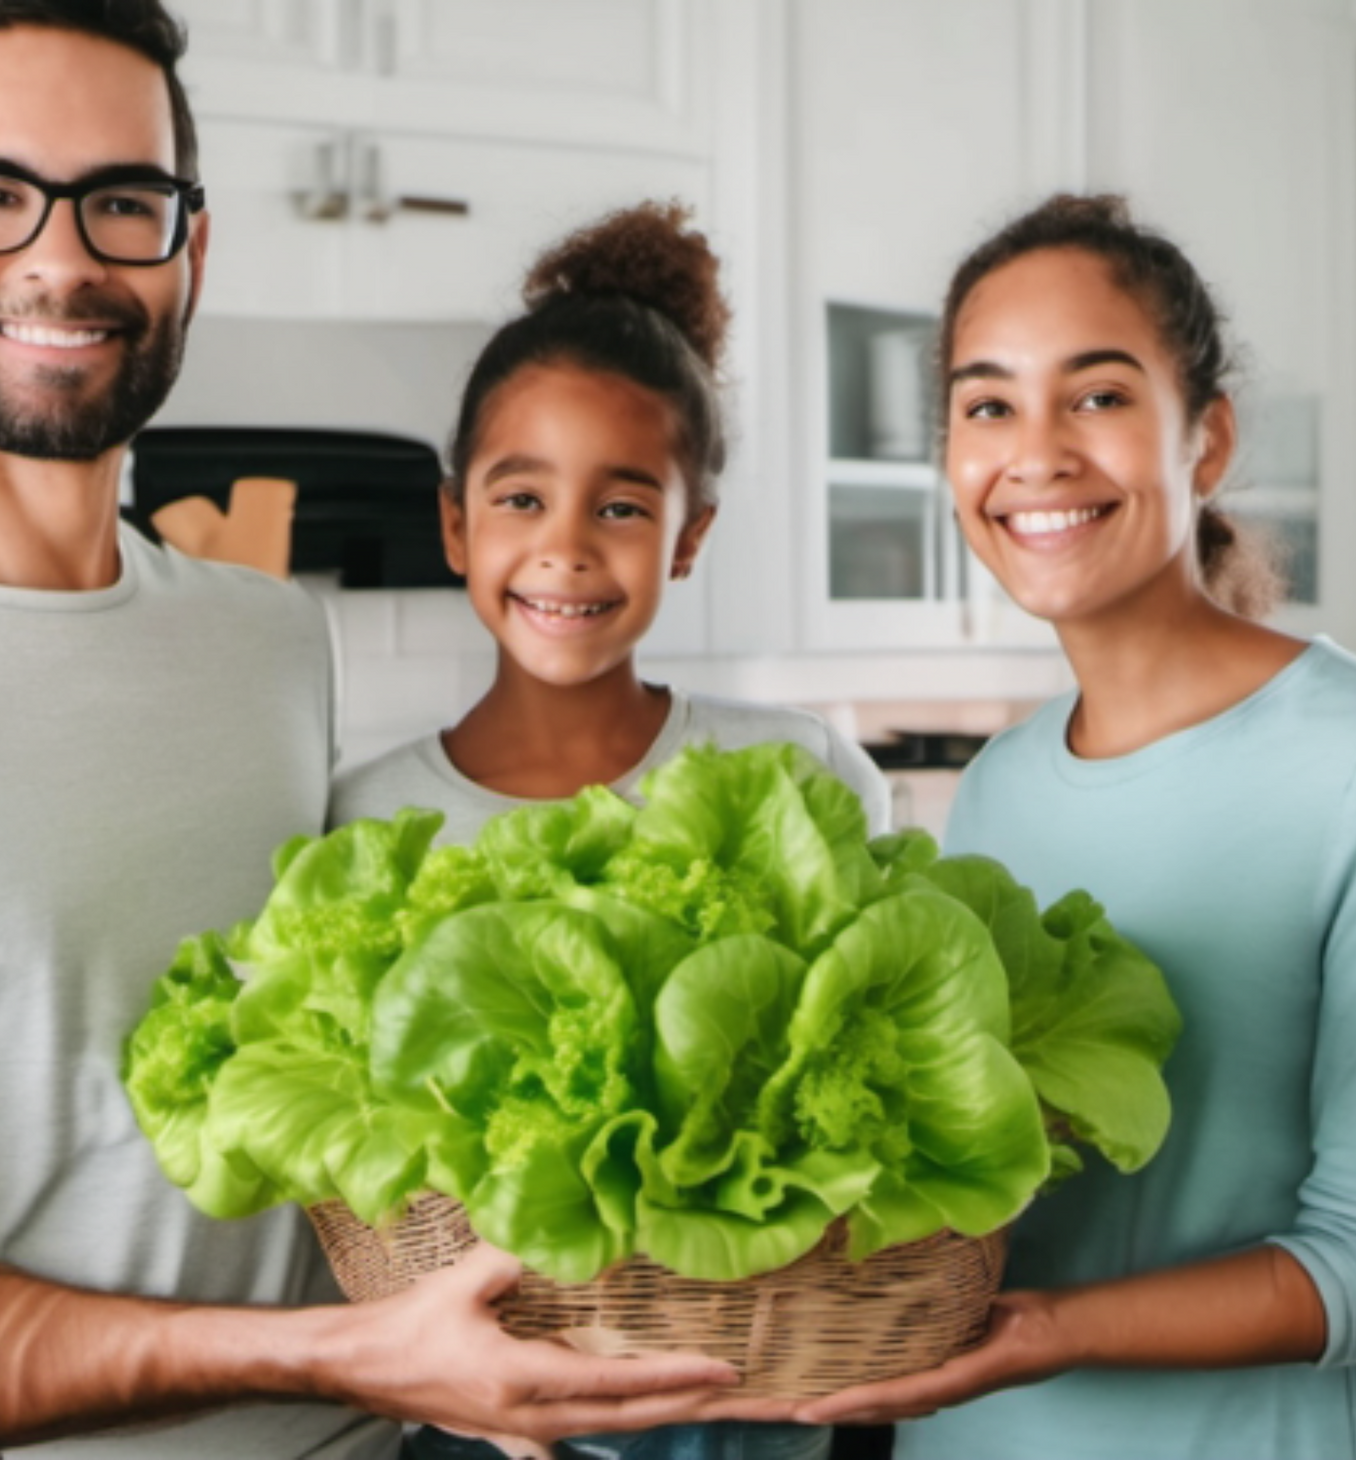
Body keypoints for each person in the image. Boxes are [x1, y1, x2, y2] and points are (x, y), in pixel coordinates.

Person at [0, 6, 749, 1458]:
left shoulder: (260, 641)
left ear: (189, 251)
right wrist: (326, 1358)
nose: (61, 259)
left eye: (123, 201)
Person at [792, 193, 1356, 1460]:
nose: (1036, 450)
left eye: (1098, 395)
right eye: (987, 403)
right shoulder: (998, 783)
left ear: (1205, 439)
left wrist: (1045, 1331)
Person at [331, 201, 893, 1460]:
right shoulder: (368, 821)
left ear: (689, 536)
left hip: (752, 1415)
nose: (566, 548)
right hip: (474, 1434)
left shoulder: (795, 771)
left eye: (623, 508)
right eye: (520, 495)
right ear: (453, 524)